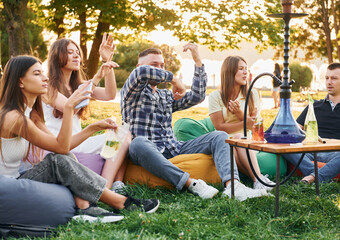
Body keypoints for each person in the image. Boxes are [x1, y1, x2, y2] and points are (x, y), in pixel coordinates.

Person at [0, 55, 159, 222]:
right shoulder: (13, 118)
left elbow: (64, 147)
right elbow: (60, 147)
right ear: (20, 82)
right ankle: (120, 202)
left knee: (65, 157)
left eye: (43, 73)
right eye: (37, 74)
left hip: (16, 179)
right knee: (57, 161)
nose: (45, 77)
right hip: (9, 186)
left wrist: (93, 128)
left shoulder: (32, 115)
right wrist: (68, 108)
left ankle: (85, 209)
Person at [121, 43, 271, 201]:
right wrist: (174, 79)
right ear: (139, 65)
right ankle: (191, 183)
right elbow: (141, 73)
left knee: (220, 135)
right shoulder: (131, 92)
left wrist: (198, 61)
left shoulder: (165, 96)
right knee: (137, 143)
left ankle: (233, 186)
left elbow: (197, 96)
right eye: (155, 65)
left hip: (175, 147)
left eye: (162, 66)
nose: (160, 69)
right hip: (146, 149)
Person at [42, 34, 129, 191]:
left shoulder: (79, 85)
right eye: (70, 52)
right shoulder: (46, 87)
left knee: (123, 133)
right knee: (119, 137)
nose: (76, 55)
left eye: (77, 51)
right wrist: (95, 79)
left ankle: (112, 185)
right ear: (57, 56)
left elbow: (109, 94)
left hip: (78, 142)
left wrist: (106, 62)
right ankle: (104, 190)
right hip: (59, 145)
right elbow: (70, 107)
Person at [283, 62, 340, 184]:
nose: (329, 82)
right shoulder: (314, 106)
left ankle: (313, 177)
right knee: (285, 145)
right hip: (311, 151)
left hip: (338, 153)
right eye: (327, 78)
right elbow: (294, 130)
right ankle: (319, 177)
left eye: (334, 78)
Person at [208, 56, 274, 191]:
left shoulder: (252, 94)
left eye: (246, 69)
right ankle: (258, 178)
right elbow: (219, 127)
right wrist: (246, 123)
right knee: (236, 141)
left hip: (248, 143)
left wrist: (239, 113)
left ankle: (257, 179)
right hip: (224, 143)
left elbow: (255, 126)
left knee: (240, 139)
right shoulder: (215, 96)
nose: (246, 72)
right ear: (229, 71)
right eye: (241, 69)